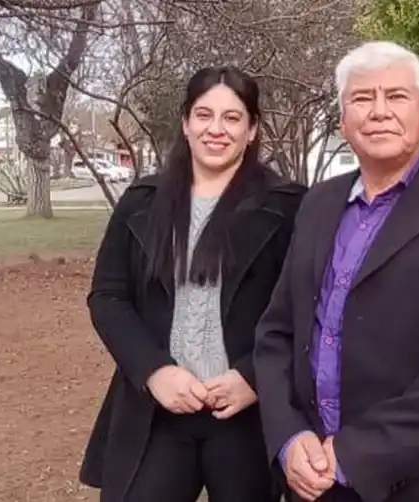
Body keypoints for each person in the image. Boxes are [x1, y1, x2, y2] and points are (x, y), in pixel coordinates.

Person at [253, 41, 419, 502]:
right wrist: (288, 435)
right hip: (312, 477)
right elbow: (277, 332)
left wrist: (355, 454)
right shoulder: (317, 204)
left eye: (396, 96)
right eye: (362, 98)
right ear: (343, 122)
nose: (379, 111)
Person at [78, 66, 307, 502]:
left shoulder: (288, 207)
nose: (216, 129)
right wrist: (154, 370)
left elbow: (305, 307)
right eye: (204, 115)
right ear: (186, 123)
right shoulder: (142, 202)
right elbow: (108, 297)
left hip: (246, 411)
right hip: (158, 409)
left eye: (232, 117)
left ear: (252, 130)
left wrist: (253, 376)